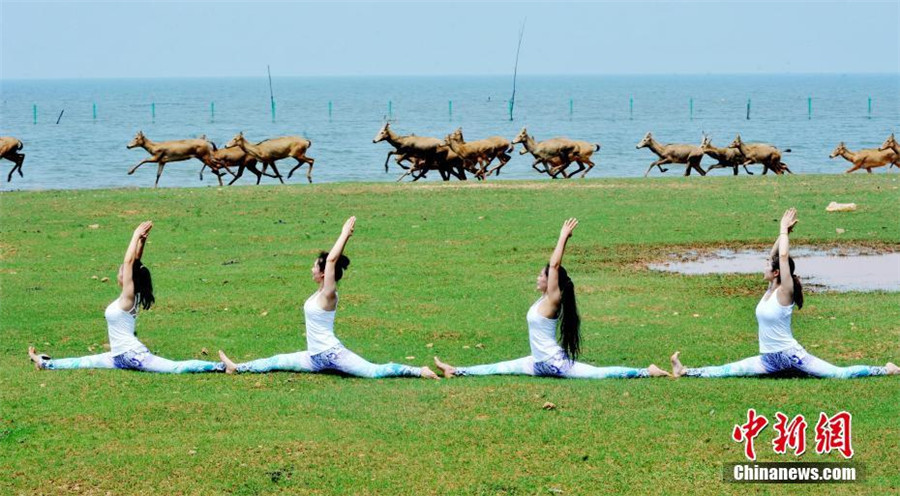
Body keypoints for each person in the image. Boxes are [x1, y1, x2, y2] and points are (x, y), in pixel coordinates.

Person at [671, 207, 899, 379]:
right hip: (768, 360)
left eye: (767, 267)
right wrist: (782, 235)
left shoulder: (785, 291)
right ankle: (684, 370)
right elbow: (774, 256)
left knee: (838, 374)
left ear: (777, 273)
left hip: (791, 355)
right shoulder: (770, 289)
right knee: (728, 370)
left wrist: (783, 230)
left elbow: (780, 258)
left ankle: (885, 369)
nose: (763, 267)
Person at [433, 218, 670, 379]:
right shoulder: (541, 301)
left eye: (542, 275)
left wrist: (563, 236)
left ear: (552, 282)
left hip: (554, 364)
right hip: (538, 363)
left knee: (598, 373)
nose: (538, 277)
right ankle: (456, 370)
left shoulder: (552, 300)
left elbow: (555, 264)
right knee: (499, 367)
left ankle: (646, 371)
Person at [218, 216, 439, 379]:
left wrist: (345, 234)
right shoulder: (317, 294)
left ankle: (419, 371)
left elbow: (332, 260)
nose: (311, 269)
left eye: (315, 266)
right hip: (314, 358)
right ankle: (236, 367)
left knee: (373, 371)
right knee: (275, 361)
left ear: (323, 273)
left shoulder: (328, 294)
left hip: (332, 355)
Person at [28, 221, 225, 373]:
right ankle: (46, 363)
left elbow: (130, 261)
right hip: (117, 356)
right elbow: (135, 262)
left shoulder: (128, 298)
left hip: (132, 355)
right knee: (84, 361)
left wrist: (134, 234)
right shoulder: (129, 296)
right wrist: (142, 241)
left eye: (123, 271)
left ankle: (221, 367)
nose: (120, 272)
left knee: (175, 368)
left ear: (129, 278)